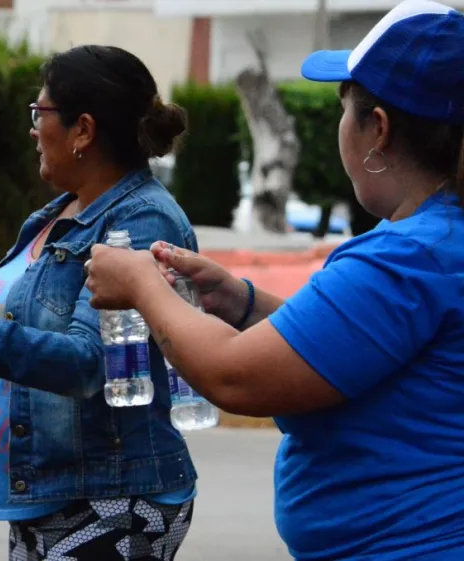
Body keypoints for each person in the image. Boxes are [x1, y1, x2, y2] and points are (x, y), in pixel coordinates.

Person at [85, 1, 464, 559]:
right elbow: (354, 344)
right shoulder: (438, 246)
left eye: (345, 107)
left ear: (377, 128)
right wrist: (239, 302)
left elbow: (236, 378)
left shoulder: (406, 259)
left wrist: (143, 287)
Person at [0, 45, 198, 561]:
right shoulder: (55, 215)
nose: (33, 129)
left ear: (83, 130)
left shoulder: (141, 223)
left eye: (40, 114)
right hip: (49, 497)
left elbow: (92, 363)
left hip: (109, 498)